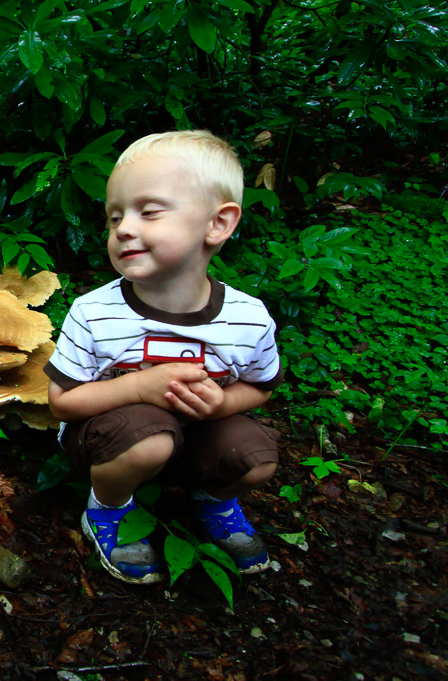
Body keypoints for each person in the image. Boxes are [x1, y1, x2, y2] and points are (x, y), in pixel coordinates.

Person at [45, 130, 283, 584]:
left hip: (195, 436)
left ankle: (211, 500)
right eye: (114, 218)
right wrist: (137, 387)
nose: (124, 229)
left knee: (258, 458)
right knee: (149, 439)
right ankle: (108, 507)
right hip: (113, 439)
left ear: (218, 224)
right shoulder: (95, 313)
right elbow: (61, 402)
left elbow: (260, 385)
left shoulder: (247, 318)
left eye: (148, 212)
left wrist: (224, 404)